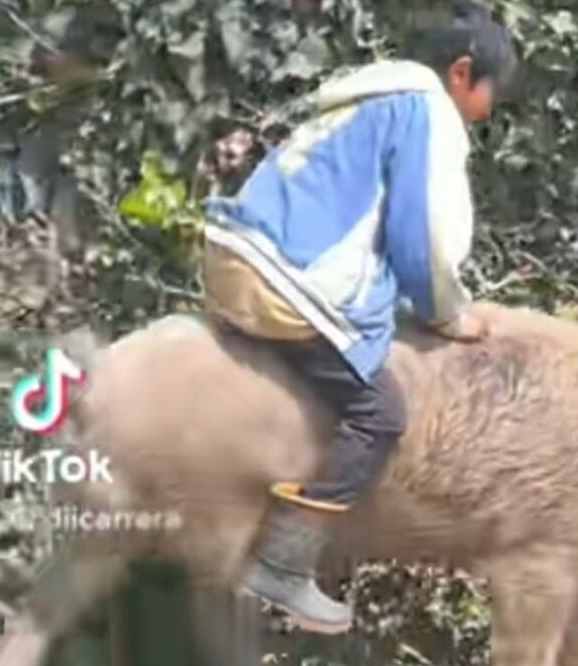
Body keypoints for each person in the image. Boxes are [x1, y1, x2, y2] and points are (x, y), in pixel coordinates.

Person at [199, 1, 517, 634]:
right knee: (380, 414)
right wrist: (451, 316)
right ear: (461, 73)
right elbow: (420, 241)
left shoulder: (359, 96)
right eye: (491, 97)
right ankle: (283, 562)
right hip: (288, 281)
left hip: (231, 261)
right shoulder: (427, 111)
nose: (487, 113)